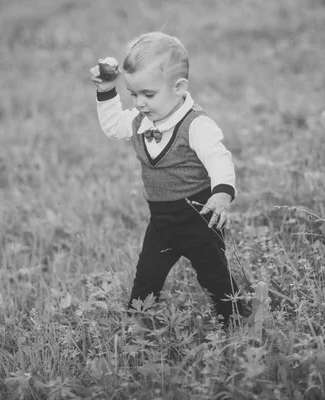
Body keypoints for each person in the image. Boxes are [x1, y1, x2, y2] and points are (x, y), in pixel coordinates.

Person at [90, 31, 247, 327]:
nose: (139, 103)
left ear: (178, 87)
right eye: (133, 94)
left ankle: (236, 319)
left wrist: (222, 192)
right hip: (161, 222)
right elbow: (112, 126)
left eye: (148, 95)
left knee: (214, 275)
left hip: (200, 218)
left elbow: (219, 158)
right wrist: (107, 91)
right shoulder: (140, 121)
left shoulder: (196, 124)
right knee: (147, 275)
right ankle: (137, 325)